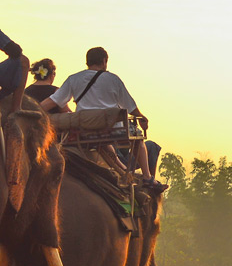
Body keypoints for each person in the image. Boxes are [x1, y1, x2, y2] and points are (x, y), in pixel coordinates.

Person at [41, 47, 153, 180]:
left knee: (101, 138)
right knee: (138, 138)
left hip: (85, 130)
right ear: (104, 61)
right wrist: (141, 117)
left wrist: (33, 109)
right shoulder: (113, 79)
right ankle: (147, 176)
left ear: (87, 62)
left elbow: (53, 100)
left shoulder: (74, 79)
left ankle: (120, 168)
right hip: (111, 129)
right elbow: (130, 106)